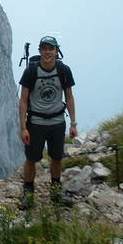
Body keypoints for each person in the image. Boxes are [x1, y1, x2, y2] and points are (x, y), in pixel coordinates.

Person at [18, 36, 78, 209]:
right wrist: (23, 128)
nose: (47, 52)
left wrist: (73, 124)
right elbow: (23, 100)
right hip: (35, 123)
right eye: (44, 48)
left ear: (57, 51)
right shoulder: (31, 71)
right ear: (39, 51)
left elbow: (69, 96)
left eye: (51, 48)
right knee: (31, 159)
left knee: (57, 157)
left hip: (57, 122)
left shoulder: (63, 70)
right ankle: (28, 195)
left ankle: (56, 192)